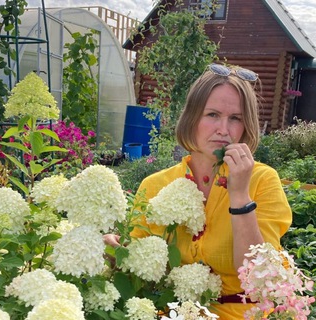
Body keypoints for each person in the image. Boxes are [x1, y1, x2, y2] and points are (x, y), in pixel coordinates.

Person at [104, 63, 292, 319]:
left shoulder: (262, 180)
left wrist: (239, 196)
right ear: (191, 118)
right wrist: (116, 252)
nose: (223, 130)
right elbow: (137, 266)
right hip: (172, 311)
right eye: (212, 114)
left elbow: (257, 275)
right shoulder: (155, 185)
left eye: (235, 118)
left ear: (246, 126)